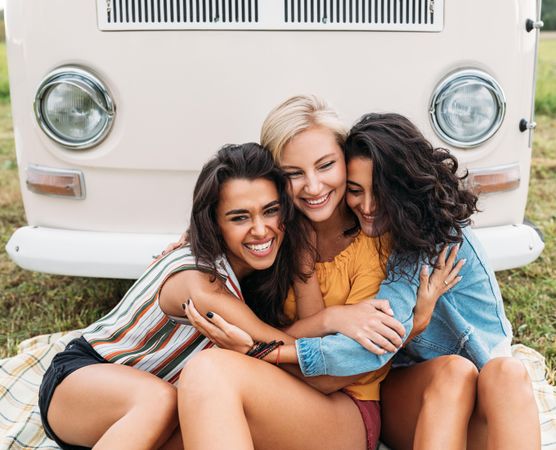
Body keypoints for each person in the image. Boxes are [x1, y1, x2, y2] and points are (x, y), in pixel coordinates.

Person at [183, 103, 540, 449]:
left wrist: (261, 349)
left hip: (352, 400)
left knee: (479, 372)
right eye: (293, 173)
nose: (313, 186)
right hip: (291, 393)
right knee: (196, 393)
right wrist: (197, 237)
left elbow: (343, 366)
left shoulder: (383, 244)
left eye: (325, 166)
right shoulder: (275, 232)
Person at [37, 143, 315, 450]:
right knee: (161, 400)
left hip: (149, 409)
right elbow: (284, 350)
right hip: (80, 380)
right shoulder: (199, 284)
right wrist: (334, 323)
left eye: (271, 210)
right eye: (239, 218)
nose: (261, 230)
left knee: (219, 422)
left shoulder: (253, 270)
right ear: (214, 223)